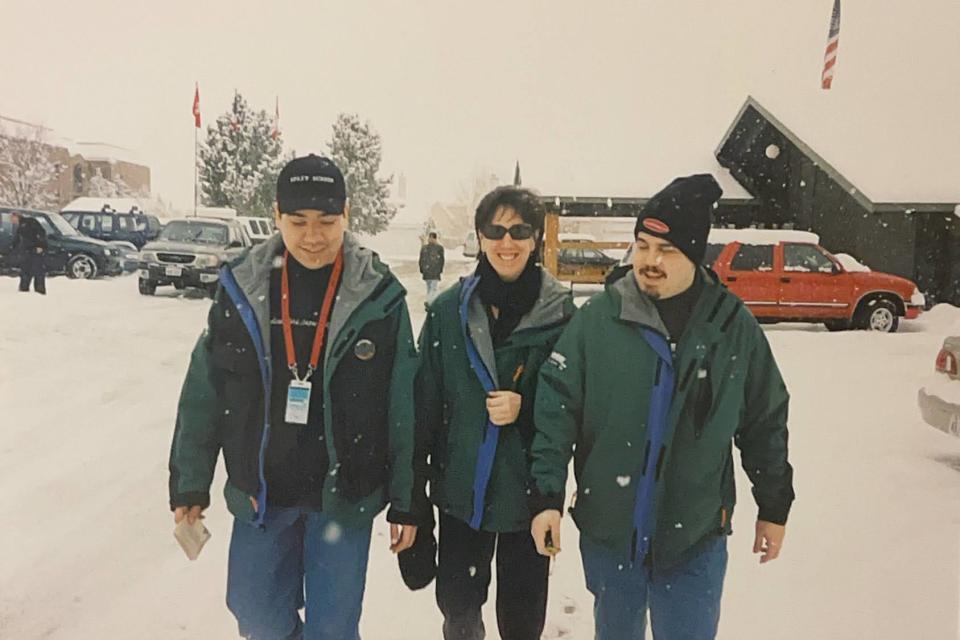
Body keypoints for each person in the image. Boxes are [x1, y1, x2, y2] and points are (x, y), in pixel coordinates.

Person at [528, 174, 795, 640]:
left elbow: (764, 420)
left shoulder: (732, 327)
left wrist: (774, 505)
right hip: (611, 531)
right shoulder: (599, 320)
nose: (649, 260)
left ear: (694, 254)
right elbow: (556, 407)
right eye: (643, 245)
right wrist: (546, 496)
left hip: (694, 535)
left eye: (666, 250)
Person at [168, 154, 421, 640]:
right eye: (298, 221)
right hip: (263, 491)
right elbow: (204, 390)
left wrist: (408, 501)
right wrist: (189, 484)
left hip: (344, 495)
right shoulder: (242, 286)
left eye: (327, 221)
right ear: (277, 214)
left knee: (334, 628)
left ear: (346, 214)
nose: (313, 236)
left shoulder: (379, 297)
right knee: (254, 613)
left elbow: (403, 404)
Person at [413, 186, 575, 640]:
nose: (507, 242)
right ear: (480, 237)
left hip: (529, 492)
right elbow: (423, 403)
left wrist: (527, 409)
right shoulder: (448, 312)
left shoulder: (561, 315)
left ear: (536, 238)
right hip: (463, 489)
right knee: (459, 610)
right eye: (495, 230)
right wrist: (411, 496)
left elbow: (574, 403)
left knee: (523, 621)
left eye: (520, 231)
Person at [11, 212, 47, 295]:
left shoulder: (30, 222)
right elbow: (17, 240)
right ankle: (24, 290)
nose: (11, 220)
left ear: (17, 216)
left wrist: (41, 246)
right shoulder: (19, 227)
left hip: (35, 251)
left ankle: (40, 291)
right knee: (25, 271)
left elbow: (41, 233)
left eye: (12, 218)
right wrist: (12, 249)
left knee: (38, 271)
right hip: (26, 252)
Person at [419, 231, 446, 307]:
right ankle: (429, 301)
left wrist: (440, 269)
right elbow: (421, 259)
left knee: (433, 288)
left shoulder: (439, 248)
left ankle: (430, 302)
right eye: (429, 238)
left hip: (435, 272)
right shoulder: (424, 248)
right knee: (429, 288)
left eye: (431, 238)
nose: (430, 239)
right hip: (427, 272)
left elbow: (441, 260)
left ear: (435, 239)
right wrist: (422, 269)